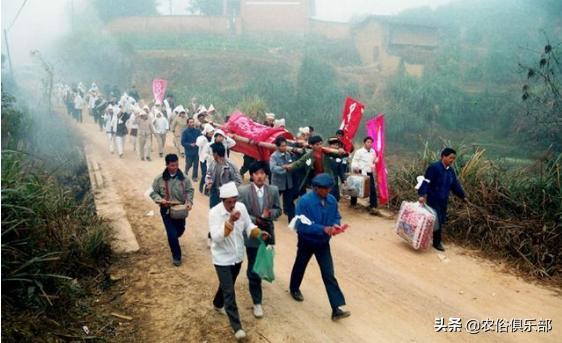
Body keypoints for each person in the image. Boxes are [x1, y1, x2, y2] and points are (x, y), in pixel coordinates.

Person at [208, 182, 270, 341]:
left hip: (237, 257)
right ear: (222, 200)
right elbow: (216, 237)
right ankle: (237, 327)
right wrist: (230, 221)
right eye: (229, 202)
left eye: (234, 201)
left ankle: (217, 303)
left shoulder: (241, 208)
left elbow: (248, 225)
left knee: (227, 285)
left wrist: (258, 233)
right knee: (230, 292)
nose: (232, 205)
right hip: (222, 258)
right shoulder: (214, 213)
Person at [289, 173, 350, 321]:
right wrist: (322, 229)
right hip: (307, 241)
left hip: (323, 243)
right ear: (316, 188)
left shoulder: (332, 200)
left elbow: (336, 216)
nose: (327, 191)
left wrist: (335, 225)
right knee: (301, 265)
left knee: (328, 274)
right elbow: (300, 225)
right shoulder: (304, 202)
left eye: (329, 188)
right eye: (324, 189)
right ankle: (294, 288)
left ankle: (336, 308)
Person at [237, 162, 281, 318]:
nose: (260, 176)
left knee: (263, 263)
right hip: (252, 234)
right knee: (254, 268)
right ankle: (257, 302)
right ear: (252, 175)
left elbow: (278, 210)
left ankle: (256, 278)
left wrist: (270, 214)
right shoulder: (243, 191)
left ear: (266, 176)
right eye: (256, 173)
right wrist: (256, 219)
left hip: (267, 234)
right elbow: (240, 213)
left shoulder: (273, 190)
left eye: (263, 173)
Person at [418, 147, 468, 251]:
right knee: (437, 220)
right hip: (433, 199)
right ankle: (437, 242)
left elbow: (455, 185)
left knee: (439, 220)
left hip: (444, 200)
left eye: (453, 158)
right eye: (450, 158)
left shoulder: (450, 171)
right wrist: (422, 195)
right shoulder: (434, 168)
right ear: (443, 157)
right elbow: (426, 181)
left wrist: (463, 196)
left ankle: (428, 238)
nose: (452, 160)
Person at [150, 154, 194, 266]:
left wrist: (189, 202)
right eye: (172, 165)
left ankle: (173, 237)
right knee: (172, 234)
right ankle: (177, 256)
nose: (175, 167)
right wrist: (160, 199)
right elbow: (152, 192)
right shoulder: (159, 179)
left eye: (177, 165)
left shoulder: (184, 178)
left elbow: (190, 191)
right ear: (167, 165)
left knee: (180, 230)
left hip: (180, 211)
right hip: (166, 210)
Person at [286, 135, 345, 199]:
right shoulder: (309, 155)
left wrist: (341, 152)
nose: (319, 146)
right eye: (317, 144)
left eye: (320, 144)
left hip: (326, 176)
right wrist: (290, 166)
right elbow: (299, 162)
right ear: (311, 146)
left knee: (328, 196)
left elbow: (338, 155)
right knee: (317, 196)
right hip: (316, 179)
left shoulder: (325, 152)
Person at [205, 143, 242, 208]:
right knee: (214, 213)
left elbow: (238, 181)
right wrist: (209, 182)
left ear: (216, 153)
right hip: (214, 194)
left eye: (212, 152)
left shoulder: (231, 166)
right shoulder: (213, 163)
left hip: (227, 196)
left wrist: (225, 188)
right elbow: (208, 174)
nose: (212, 154)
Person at [350, 136, 380, 215]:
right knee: (356, 188)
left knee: (372, 189)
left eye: (371, 142)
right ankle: (353, 203)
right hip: (360, 172)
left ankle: (373, 205)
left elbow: (374, 161)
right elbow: (354, 161)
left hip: (369, 172)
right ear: (364, 143)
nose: (369, 144)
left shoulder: (373, 152)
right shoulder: (359, 152)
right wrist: (355, 168)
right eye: (368, 142)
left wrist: (377, 160)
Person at [269, 136, 296, 222]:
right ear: (277, 147)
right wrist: (284, 168)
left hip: (288, 182)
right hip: (278, 183)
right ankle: (272, 216)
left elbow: (293, 164)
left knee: (290, 201)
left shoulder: (288, 155)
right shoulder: (274, 156)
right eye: (282, 146)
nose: (284, 147)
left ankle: (292, 220)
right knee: (274, 201)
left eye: (285, 145)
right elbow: (273, 168)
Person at [181, 117, 201, 182]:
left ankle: (194, 177)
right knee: (189, 164)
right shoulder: (185, 132)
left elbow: (201, 138)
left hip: (196, 151)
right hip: (189, 151)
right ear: (187, 124)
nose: (192, 123)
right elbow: (183, 142)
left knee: (196, 164)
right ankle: (186, 170)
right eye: (190, 122)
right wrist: (190, 145)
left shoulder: (198, 131)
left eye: (193, 122)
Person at [196, 124, 215, 193]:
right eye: (210, 132)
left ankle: (207, 190)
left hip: (210, 159)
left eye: (213, 132)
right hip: (203, 159)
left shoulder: (213, 139)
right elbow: (198, 144)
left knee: (209, 175)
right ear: (207, 132)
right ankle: (201, 187)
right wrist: (203, 138)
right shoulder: (201, 138)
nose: (212, 133)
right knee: (205, 174)